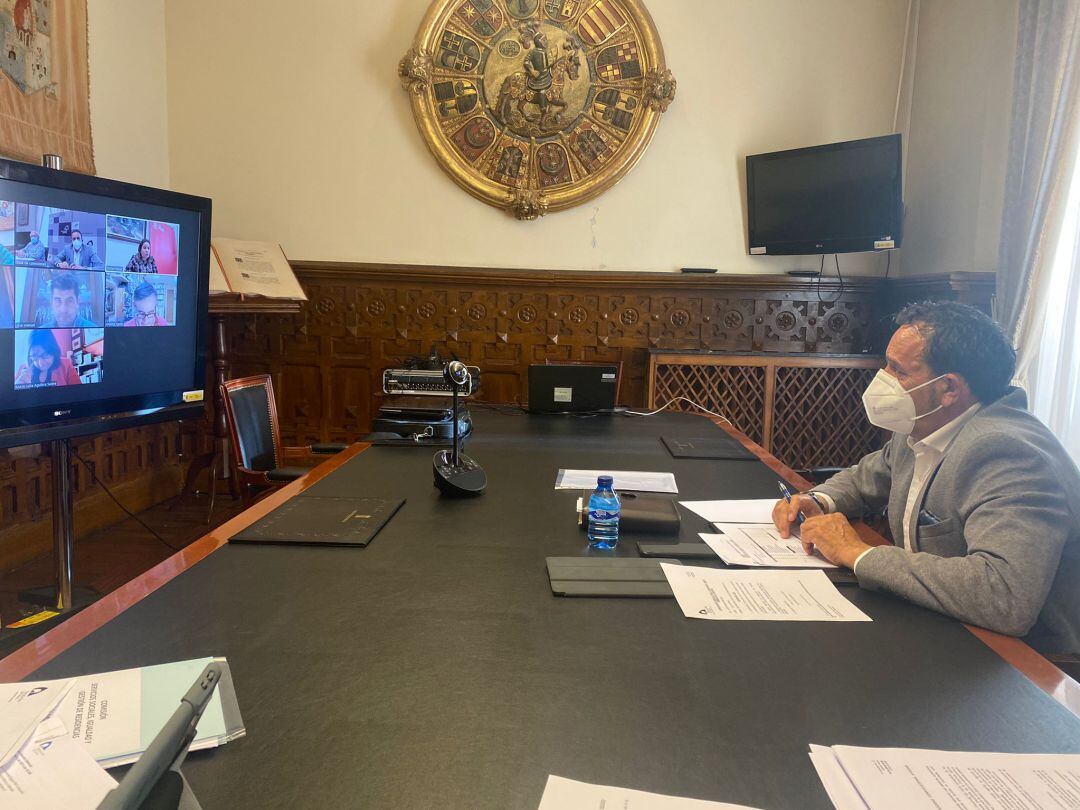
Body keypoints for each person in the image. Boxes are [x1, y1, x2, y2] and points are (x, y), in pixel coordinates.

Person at [772, 301, 1080, 654]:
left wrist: (857, 553)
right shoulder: (925, 425)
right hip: (942, 622)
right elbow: (867, 476)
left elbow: (1003, 595)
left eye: (897, 370)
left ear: (949, 388)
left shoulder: (1006, 452)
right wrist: (818, 500)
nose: (882, 379)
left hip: (1026, 661)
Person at [14, 329, 81, 387]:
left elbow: (79, 392)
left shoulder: (66, 365)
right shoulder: (23, 370)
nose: (40, 363)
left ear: (53, 351)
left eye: (45, 355)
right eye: (34, 356)